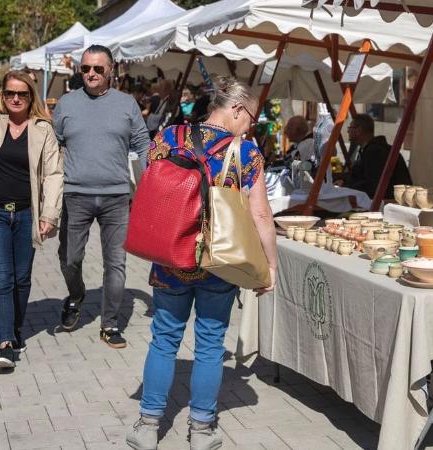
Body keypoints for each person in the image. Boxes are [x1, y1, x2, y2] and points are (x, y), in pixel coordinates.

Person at [126, 77, 277, 450]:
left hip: (170, 256)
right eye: (251, 119)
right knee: (210, 345)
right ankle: (202, 430)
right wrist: (269, 265)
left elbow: (154, 184)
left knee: (164, 340)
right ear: (237, 109)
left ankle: (147, 426)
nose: (250, 126)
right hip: (218, 260)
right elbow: (260, 215)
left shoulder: (169, 136)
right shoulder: (246, 153)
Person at [0, 71, 63, 368]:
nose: (15, 99)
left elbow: (55, 174)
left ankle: (14, 329)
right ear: (2, 96)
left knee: (22, 279)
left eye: (22, 94)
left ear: (31, 97)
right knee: (2, 279)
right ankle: (5, 343)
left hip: (27, 212)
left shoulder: (42, 129)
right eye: (10, 94)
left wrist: (49, 215)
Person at [52, 44, 150, 348]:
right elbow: (49, 146)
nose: (91, 74)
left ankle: (109, 323)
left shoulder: (126, 103)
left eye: (97, 69)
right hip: (75, 195)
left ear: (111, 70)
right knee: (70, 258)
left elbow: (143, 143)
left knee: (116, 263)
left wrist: (149, 186)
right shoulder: (67, 104)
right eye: (85, 68)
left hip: (117, 197)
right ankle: (77, 294)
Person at [342, 113, 412, 198]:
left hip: (389, 202)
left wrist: (345, 186)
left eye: (350, 127)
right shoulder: (370, 149)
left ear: (358, 130)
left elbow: (372, 185)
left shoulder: (375, 152)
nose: (348, 131)